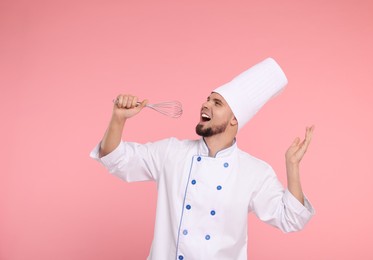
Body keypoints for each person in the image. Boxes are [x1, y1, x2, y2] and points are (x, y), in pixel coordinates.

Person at [90, 57, 315, 260]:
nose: (205, 104)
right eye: (207, 99)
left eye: (217, 103)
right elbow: (115, 159)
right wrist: (118, 118)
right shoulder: (171, 153)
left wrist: (292, 167)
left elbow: (290, 218)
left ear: (234, 119)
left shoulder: (254, 172)